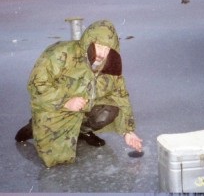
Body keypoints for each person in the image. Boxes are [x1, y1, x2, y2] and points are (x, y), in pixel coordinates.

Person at [15, 20, 143, 168]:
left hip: (83, 109)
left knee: (110, 109)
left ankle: (82, 131)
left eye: (107, 48)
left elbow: (121, 96)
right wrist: (66, 102)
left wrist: (127, 131)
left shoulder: (111, 65)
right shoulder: (61, 53)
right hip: (56, 110)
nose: (102, 53)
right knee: (57, 161)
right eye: (99, 46)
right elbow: (36, 86)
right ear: (89, 41)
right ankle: (34, 127)